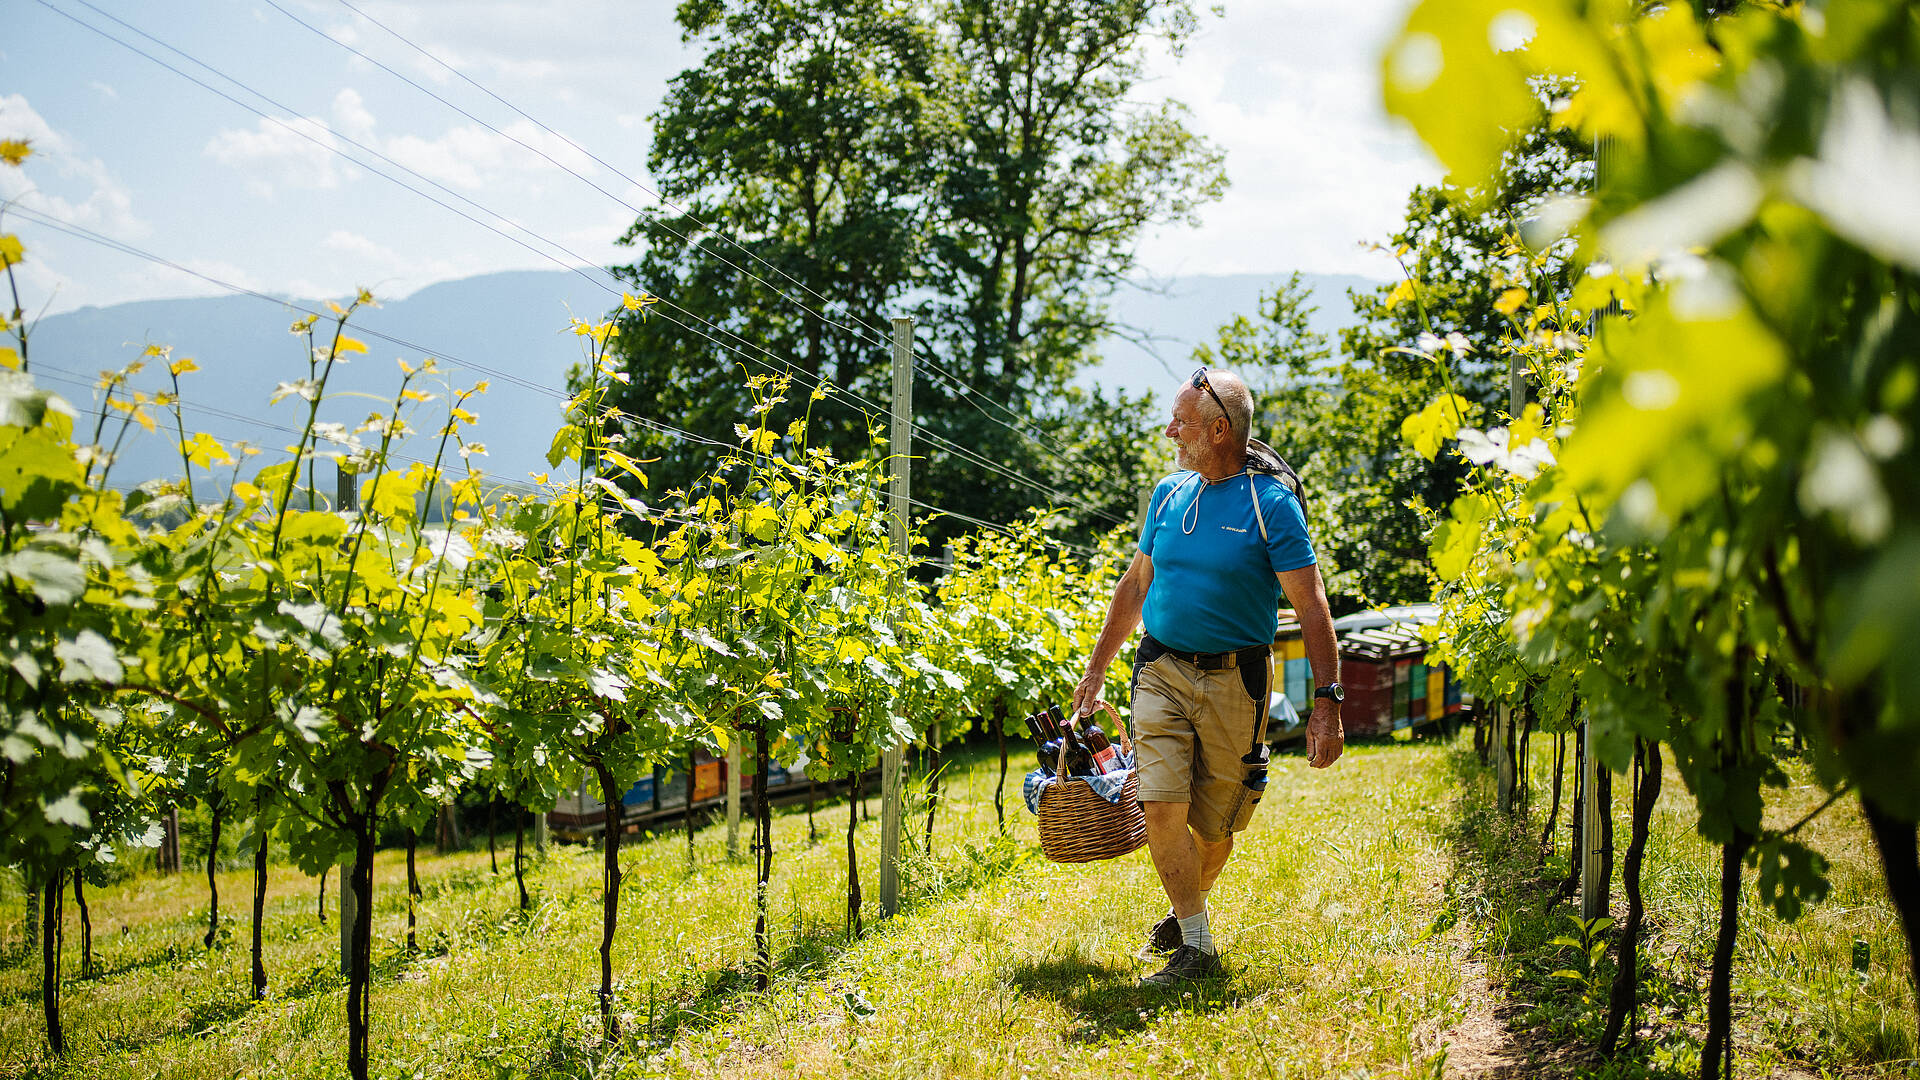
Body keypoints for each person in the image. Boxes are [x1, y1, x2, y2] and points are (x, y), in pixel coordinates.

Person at [1070, 367, 1344, 987]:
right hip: (1160, 668)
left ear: (1220, 431)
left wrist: (1326, 703)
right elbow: (1137, 585)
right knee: (1160, 804)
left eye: (1183, 424)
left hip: (1235, 681)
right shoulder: (1169, 495)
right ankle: (1197, 945)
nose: (1170, 432)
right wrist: (1096, 669)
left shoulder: (1269, 505)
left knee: (1215, 825)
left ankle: (1183, 908)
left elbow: (1312, 607)